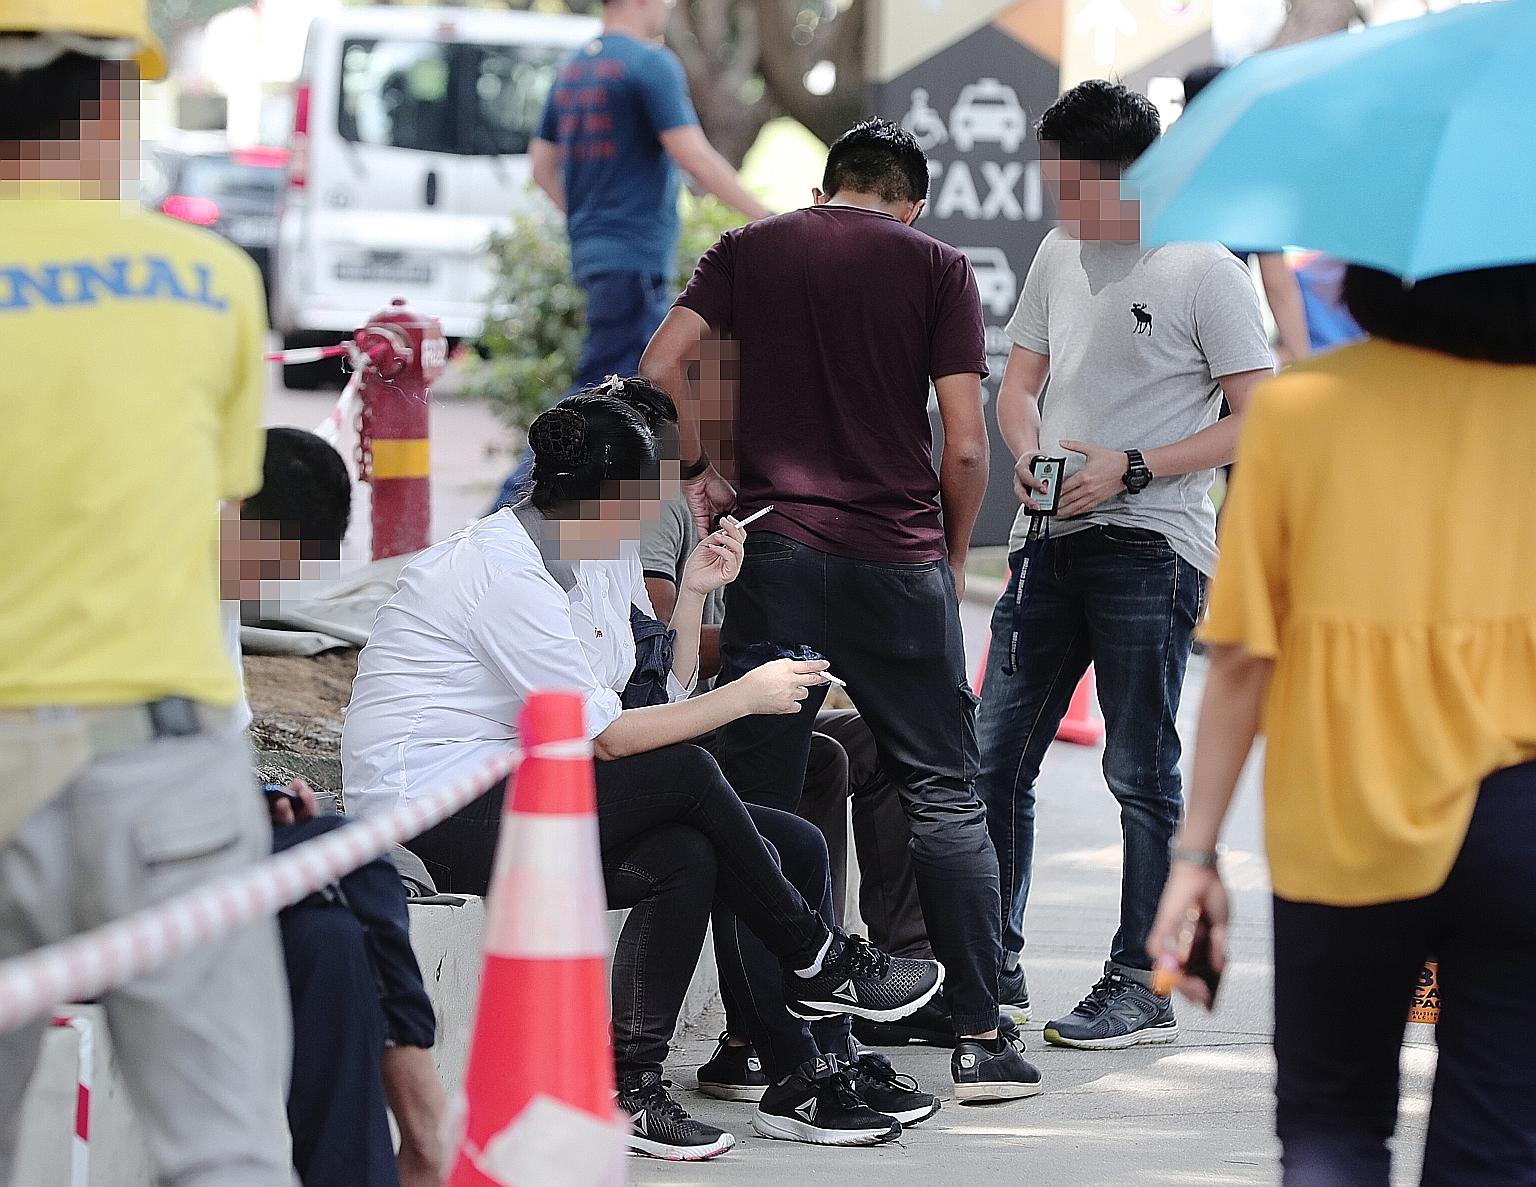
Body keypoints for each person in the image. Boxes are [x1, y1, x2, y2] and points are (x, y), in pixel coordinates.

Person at [342, 385, 944, 1158]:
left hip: (527, 789)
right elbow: (609, 739)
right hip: (432, 808)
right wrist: (745, 698)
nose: (652, 521)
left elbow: (653, 694)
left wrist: (693, 594)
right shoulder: (503, 573)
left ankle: (643, 1085)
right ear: (594, 499)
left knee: (747, 846)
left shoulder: (601, 551)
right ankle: (815, 959)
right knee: (692, 776)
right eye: (642, 501)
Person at [643, 118, 1043, 1102]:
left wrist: (703, 470)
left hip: (775, 550)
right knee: (944, 791)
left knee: (762, 800)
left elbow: (659, 369)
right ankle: (982, 1041)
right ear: (911, 201)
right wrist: (948, 553)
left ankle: (753, 1040)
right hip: (897, 560)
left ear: (825, 189)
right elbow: (963, 441)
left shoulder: (748, 248)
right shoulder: (940, 265)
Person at [1149, 263, 1536, 1186]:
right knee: (1501, 1142)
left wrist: (1195, 857)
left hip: (1343, 813)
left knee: (1331, 1130)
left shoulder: (1301, 413)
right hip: (1522, 821)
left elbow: (1244, 654)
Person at [0, 9, 294, 1186]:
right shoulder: (209, 280)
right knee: (222, 1151)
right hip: (165, 773)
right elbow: (219, 521)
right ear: (114, 100)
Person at [973, 79, 1274, 1052]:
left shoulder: (1204, 268)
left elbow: (1259, 418)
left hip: (1155, 545)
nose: (1056, 200)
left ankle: (1140, 980)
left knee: (1141, 768)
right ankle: (988, 970)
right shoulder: (1060, 249)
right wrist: (1029, 452)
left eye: (1069, 180)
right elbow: (1021, 382)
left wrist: (1135, 467)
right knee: (991, 758)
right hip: (1045, 542)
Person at [639, 489, 944, 1089]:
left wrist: (708, 594)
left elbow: (661, 683)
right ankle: (784, 1023)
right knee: (790, 778)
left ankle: (863, 986)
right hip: (655, 743)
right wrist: (768, 641)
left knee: (865, 752)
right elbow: (627, 708)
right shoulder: (643, 510)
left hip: (679, 722)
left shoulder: (747, 504)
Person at [223, 428, 445, 1187]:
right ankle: (426, 1131)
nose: (270, 588)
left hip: (191, 832)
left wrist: (262, 800)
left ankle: (395, 1157)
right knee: (355, 855)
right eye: (275, 561)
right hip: (120, 848)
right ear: (236, 510)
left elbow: (205, 754)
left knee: (332, 943)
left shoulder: (212, 602)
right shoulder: (133, 591)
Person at [529, 0, 770, 391]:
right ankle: (540, 455)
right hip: (635, 253)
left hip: (593, 251)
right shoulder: (651, 64)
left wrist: (590, 219)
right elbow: (694, 157)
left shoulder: (572, 69)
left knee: (628, 382)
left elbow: (542, 167)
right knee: (609, 385)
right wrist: (765, 216)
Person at [1181, 64, 1311, 368]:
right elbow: (1278, 286)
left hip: (1156, 336)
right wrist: (1306, 367)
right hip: (1220, 341)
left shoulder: (1159, 173)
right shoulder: (1250, 183)